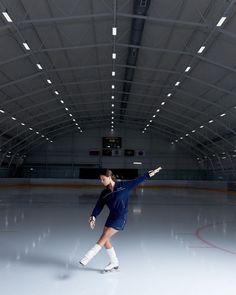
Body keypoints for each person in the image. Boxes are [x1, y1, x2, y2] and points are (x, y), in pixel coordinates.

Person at [79, 166, 162, 272]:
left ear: (109, 177)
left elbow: (137, 180)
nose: (101, 181)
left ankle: (87, 258)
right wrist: (93, 216)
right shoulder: (104, 193)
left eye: (103, 179)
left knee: (104, 237)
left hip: (121, 217)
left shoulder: (123, 186)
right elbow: (98, 206)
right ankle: (114, 262)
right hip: (111, 217)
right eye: (100, 179)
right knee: (106, 240)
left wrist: (148, 174)